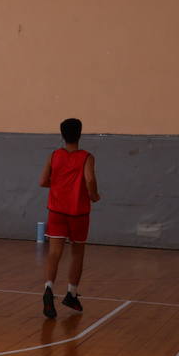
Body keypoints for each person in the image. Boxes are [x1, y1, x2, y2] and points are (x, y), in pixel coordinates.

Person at [40, 117, 100, 318]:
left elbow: (43, 181)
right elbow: (90, 179)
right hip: (78, 213)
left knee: (54, 253)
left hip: (56, 210)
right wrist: (94, 195)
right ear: (80, 134)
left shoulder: (54, 155)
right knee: (77, 254)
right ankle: (71, 294)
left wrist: (58, 185)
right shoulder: (86, 157)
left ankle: (48, 288)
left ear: (62, 135)